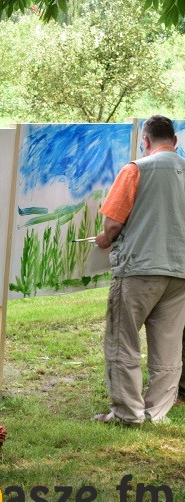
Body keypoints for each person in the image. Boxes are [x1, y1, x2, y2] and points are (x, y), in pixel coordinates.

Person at [93, 115, 185, 424]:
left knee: (123, 341)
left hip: (139, 269)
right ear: (175, 141)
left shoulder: (135, 169)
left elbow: (112, 223)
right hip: (180, 272)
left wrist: (105, 239)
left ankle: (128, 413)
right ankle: (156, 412)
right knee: (168, 346)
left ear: (145, 140)